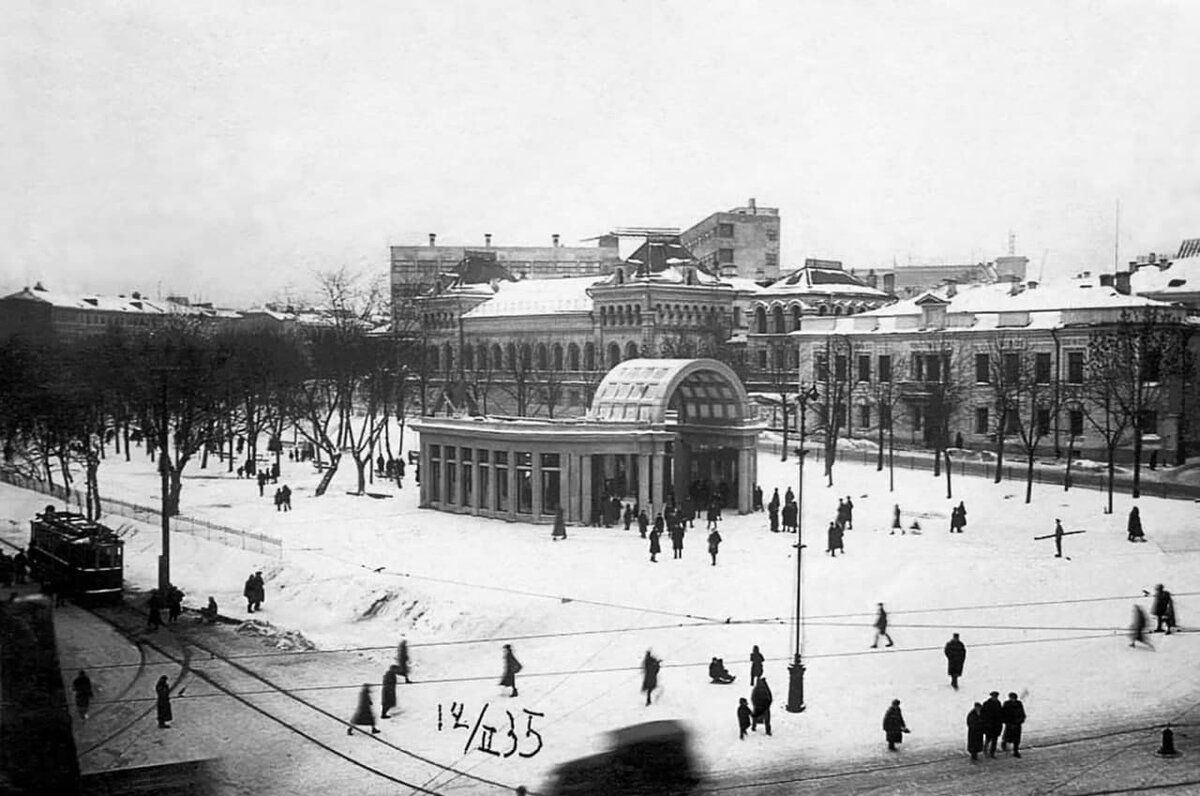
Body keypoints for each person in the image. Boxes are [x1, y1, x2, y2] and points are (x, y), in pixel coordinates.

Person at [1001, 692, 1026, 757]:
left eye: (1014, 698)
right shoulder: (1007, 704)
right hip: (1010, 724)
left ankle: (1016, 751)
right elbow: (1003, 713)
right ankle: (1004, 744)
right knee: (1007, 737)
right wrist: (1006, 721)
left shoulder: (1019, 704)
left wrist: (1021, 720)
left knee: (1016, 739)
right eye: (1012, 698)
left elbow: (1022, 713)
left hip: (1017, 724)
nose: (1013, 699)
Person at [981, 691, 1004, 758]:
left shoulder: (998, 703)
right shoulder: (987, 704)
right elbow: (984, 715)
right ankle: (985, 749)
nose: (995, 698)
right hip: (989, 725)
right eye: (994, 697)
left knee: (994, 740)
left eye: (996, 697)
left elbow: (1000, 714)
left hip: (996, 725)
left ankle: (992, 753)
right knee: (988, 739)